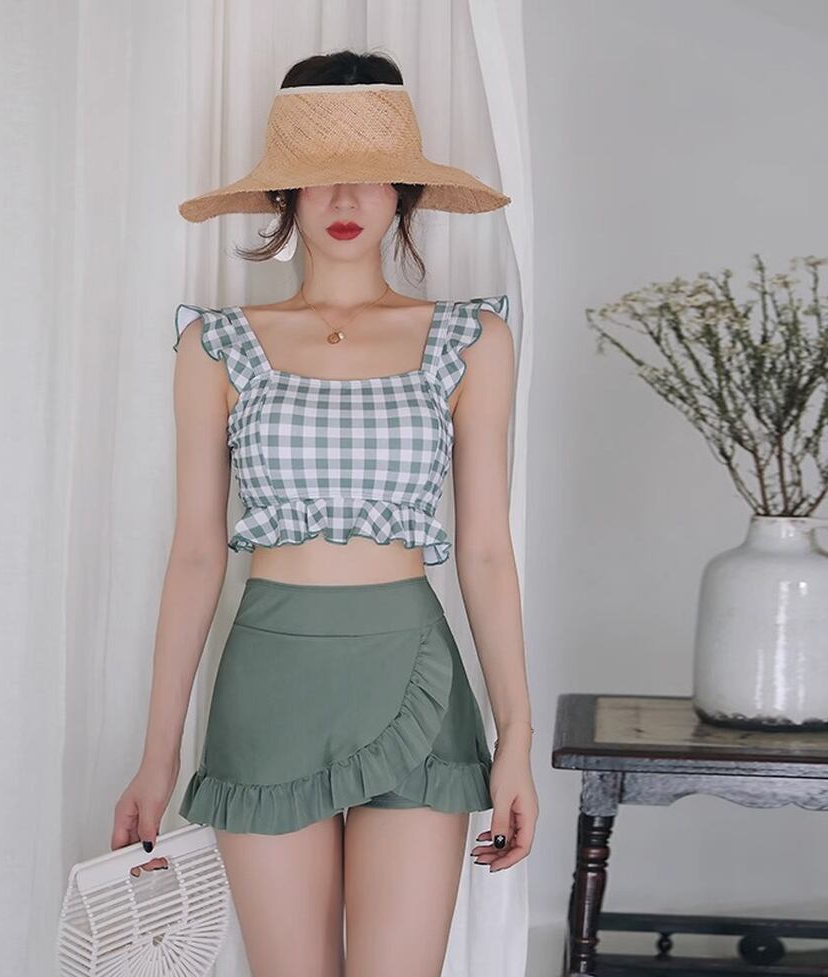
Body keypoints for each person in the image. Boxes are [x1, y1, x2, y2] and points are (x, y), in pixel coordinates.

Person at [111, 49, 537, 977]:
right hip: (269, 681)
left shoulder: (471, 338)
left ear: (403, 193)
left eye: (372, 175)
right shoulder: (216, 344)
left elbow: (485, 552)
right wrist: (156, 758)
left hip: (413, 673)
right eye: (316, 177)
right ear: (284, 196)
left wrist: (516, 740)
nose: (345, 197)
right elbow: (195, 555)